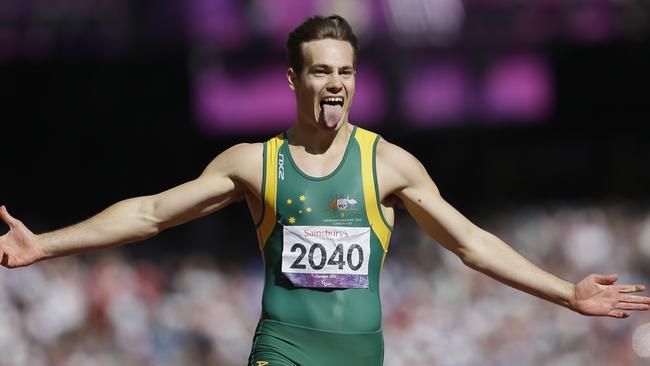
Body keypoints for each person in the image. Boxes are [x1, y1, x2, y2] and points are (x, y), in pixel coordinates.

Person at [1, 14, 649, 366]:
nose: (334, 83)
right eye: (320, 71)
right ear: (292, 80)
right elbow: (148, 215)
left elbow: (472, 245)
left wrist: (566, 293)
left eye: (345, 71)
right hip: (283, 353)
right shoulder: (255, 164)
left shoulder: (389, 164)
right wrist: (46, 246)